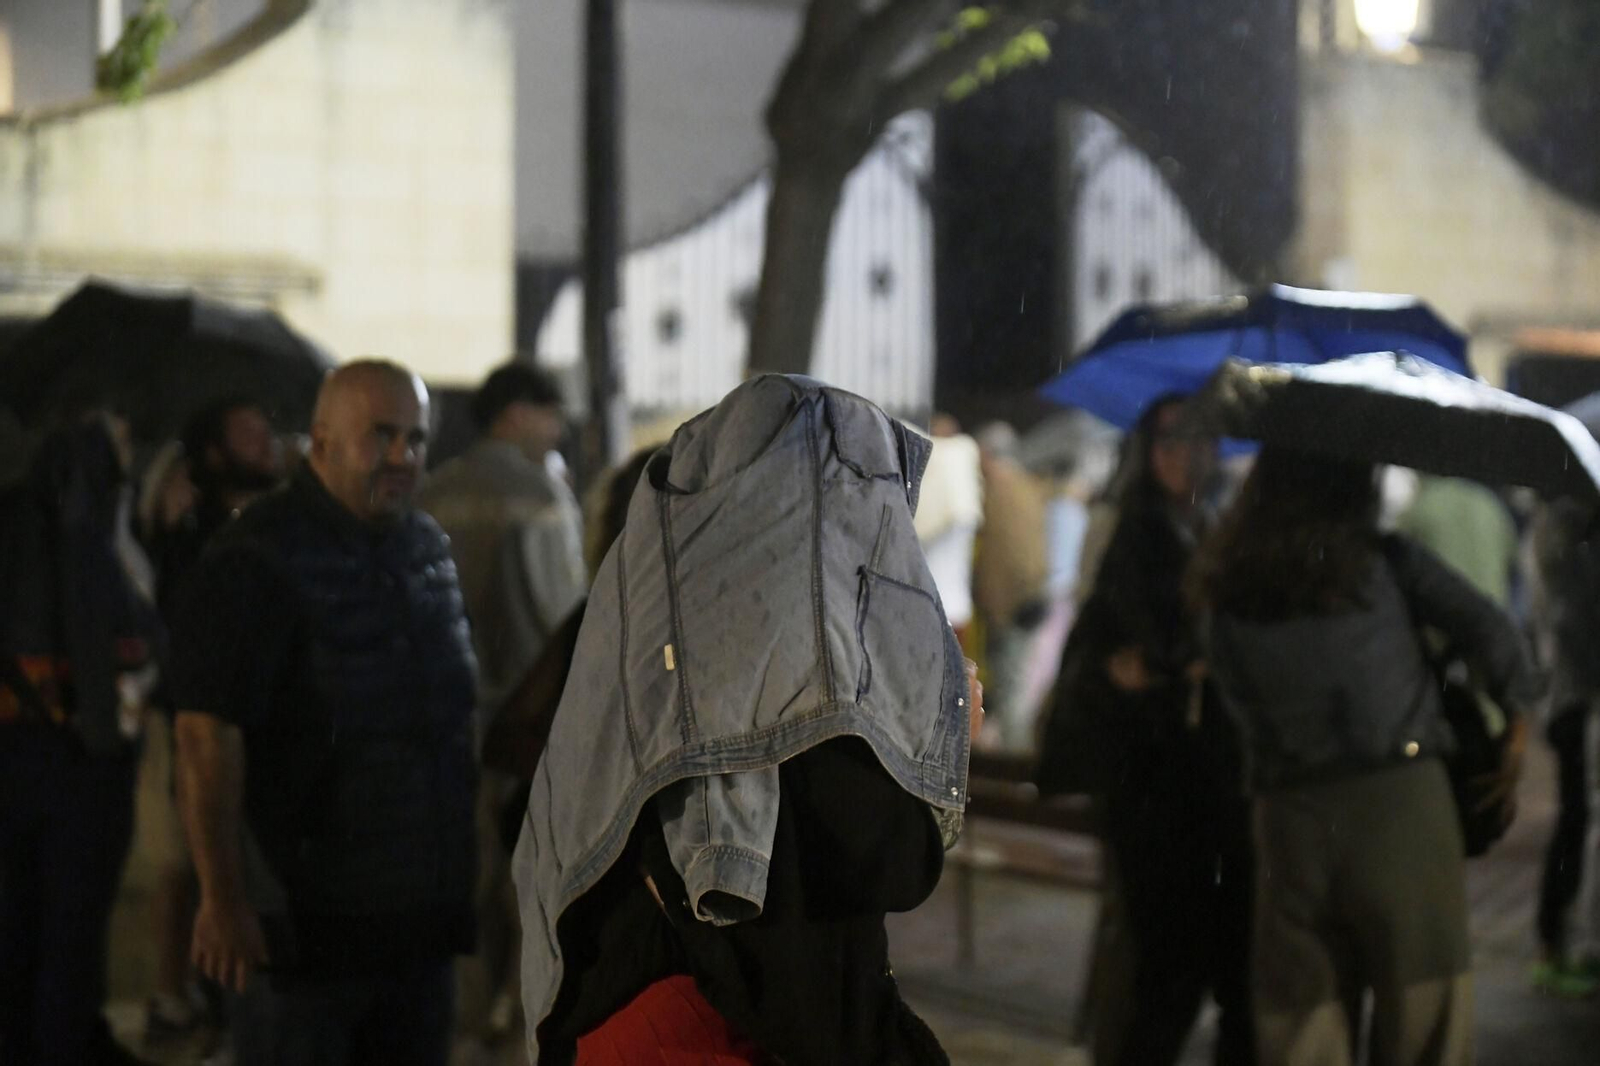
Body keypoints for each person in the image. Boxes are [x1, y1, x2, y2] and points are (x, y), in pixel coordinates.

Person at [515, 375, 972, 1064]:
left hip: (613, 1012)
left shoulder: (655, 617)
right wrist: (936, 725)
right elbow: (893, 863)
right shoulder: (812, 675)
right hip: (711, 1033)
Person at [169, 361, 478, 1066]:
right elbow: (205, 732)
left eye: (417, 439)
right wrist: (223, 898)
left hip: (417, 930)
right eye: (383, 436)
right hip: (305, 942)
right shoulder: (255, 557)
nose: (404, 456)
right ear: (322, 440)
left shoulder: (426, 550)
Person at [1191, 448, 1537, 1066]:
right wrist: (1514, 724)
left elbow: (1231, 704)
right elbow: (1493, 628)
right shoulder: (1381, 562)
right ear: (1354, 484)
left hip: (1287, 815)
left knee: (1302, 1025)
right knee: (1425, 1014)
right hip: (1400, 806)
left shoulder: (1229, 585)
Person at [1035, 397, 1253, 1066]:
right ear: (1148, 451)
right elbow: (1143, 647)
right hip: (1158, 781)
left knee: (1198, 959)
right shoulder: (1137, 532)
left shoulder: (1202, 525)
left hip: (1191, 775)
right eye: (1173, 440)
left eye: (1200, 439)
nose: (1189, 454)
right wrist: (1187, 656)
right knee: (1172, 961)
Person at [418, 362, 587, 1046]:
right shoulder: (541, 496)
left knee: (461, 869)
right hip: (525, 725)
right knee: (528, 872)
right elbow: (564, 615)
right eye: (552, 414)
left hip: (447, 716)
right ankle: (513, 1016)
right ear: (518, 413)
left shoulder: (434, 492)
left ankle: (461, 1013)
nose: (559, 429)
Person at [0, 411, 164, 1066]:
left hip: (10, 755)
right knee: (71, 929)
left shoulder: (12, 516)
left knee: (14, 927)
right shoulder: (87, 525)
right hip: (78, 759)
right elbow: (124, 636)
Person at [141, 398, 287, 1040]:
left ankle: (230, 1006)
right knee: (189, 862)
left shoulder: (285, 524)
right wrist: (165, 534)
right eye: (250, 436)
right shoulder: (185, 531)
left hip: (267, 725)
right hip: (190, 723)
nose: (268, 445)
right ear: (212, 454)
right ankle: (187, 999)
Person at [1527, 497, 1600, 995]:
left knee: (1574, 819)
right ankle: (1554, 940)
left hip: (1568, 696)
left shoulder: (1557, 531)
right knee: (1576, 819)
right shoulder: (1569, 535)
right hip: (1576, 700)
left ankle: (1553, 938)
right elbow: (1574, 625)